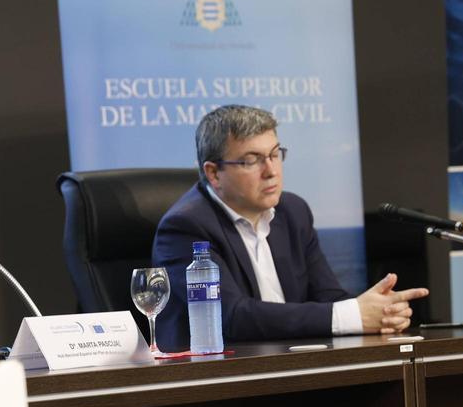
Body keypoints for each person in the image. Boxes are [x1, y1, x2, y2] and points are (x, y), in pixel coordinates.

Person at [151, 104, 428, 351]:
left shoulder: (292, 211)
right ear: (214, 173)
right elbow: (232, 317)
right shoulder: (185, 227)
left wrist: (377, 311)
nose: (271, 170)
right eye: (252, 160)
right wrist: (350, 316)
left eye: (274, 154)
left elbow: (328, 296)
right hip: (218, 380)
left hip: (292, 366)